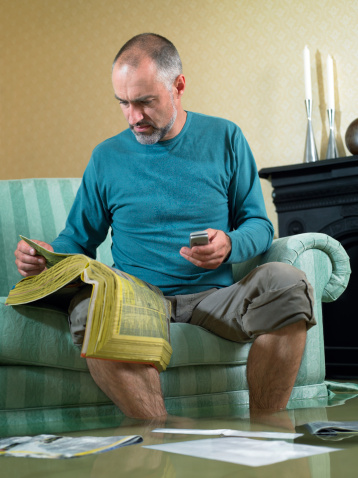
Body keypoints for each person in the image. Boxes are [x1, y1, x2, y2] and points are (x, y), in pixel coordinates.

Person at [14, 33, 315, 420]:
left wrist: (230, 243)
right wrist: (46, 259)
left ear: (179, 86)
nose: (133, 116)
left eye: (144, 101)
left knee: (288, 282)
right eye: (123, 102)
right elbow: (77, 239)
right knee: (88, 308)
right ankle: (162, 438)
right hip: (136, 298)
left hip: (214, 297)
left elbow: (259, 224)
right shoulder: (107, 157)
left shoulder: (225, 137)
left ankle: (265, 430)